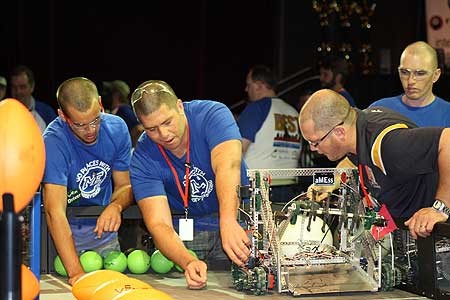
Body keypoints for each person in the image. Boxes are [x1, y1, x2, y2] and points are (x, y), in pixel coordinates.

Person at [129, 80, 250, 289]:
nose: (164, 135)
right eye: (152, 129)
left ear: (179, 106)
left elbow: (228, 166)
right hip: (189, 230)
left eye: (167, 122)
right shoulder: (142, 157)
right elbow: (159, 224)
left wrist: (228, 220)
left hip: (235, 217)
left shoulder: (212, 114)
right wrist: (188, 261)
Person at [299, 89, 450, 240]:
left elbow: (447, 141)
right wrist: (327, 181)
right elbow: (350, 160)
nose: (313, 149)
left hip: (436, 237)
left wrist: (440, 208)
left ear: (339, 132)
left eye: (314, 142)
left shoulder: (387, 143)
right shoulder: (358, 127)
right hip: (402, 228)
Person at [42, 77, 134, 285]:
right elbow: (54, 210)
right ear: (63, 116)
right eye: (80, 125)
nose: (91, 130)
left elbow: (125, 184)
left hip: (105, 231)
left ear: (101, 104)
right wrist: (75, 274)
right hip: (65, 234)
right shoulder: (53, 141)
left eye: (95, 120)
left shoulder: (117, 128)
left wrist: (116, 206)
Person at [237, 64, 301, 201]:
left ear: (259, 86)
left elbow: (239, 149)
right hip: (289, 188)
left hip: (259, 189)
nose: (246, 89)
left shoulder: (256, 108)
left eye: (249, 85)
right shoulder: (293, 112)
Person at [370, 41, 450, 126]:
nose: (410, 81)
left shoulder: (447, 114)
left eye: (420, 73)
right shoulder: (379, 111)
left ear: (436, 75)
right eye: (404, 72)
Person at [10, 65, 57, 132]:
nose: (18, 92)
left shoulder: (46, 113)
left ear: (32, 87)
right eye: (14, 87)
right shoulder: (4, 113)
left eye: (22, 87)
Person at [102, 80, 144, 147]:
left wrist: (129, 148)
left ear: (116, 95)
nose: (104, 94)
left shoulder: (124, 111)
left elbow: (139, 129)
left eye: (108, 91)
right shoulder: (119, 111)